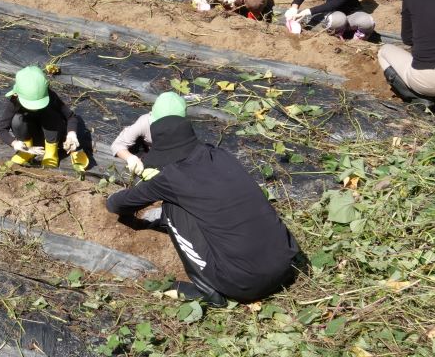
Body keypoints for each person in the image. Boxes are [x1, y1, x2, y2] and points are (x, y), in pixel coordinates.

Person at [106, 92, 300, 306]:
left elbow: (116, 204)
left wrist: (122, 196)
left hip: (244, 284)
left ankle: (207, 290)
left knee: (172, 209)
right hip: (287, 265)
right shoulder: (221, 155)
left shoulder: (171, 178)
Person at [0, 66, 87, 169]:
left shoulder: (51, 96)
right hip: (31, 139)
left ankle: (51, 153)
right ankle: (26, 153)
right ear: (17, 94)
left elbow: (71, 117)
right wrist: (14, 143)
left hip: (52, 135)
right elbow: (1, 130)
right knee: (17, 119)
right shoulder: (15, 101)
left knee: (51, 114)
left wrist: (71, 134)